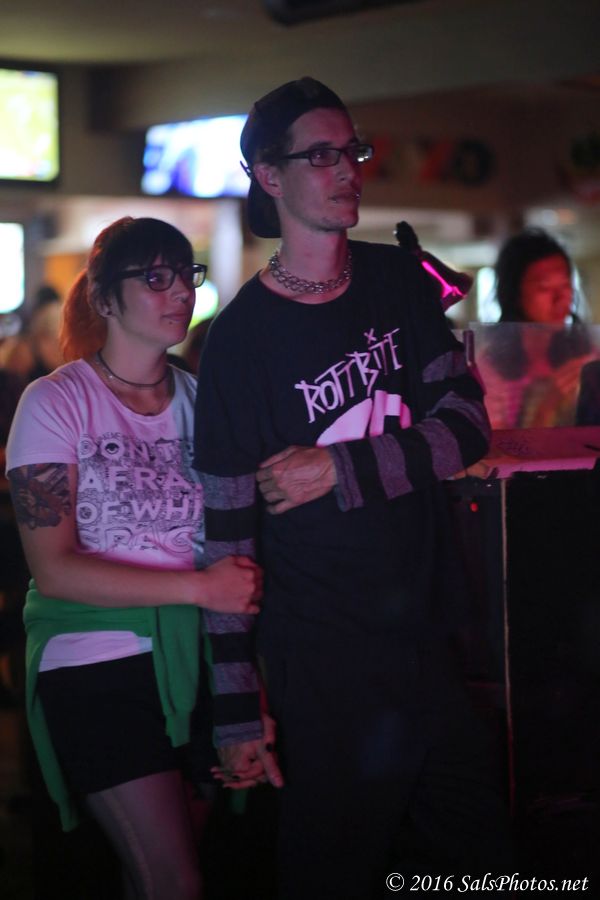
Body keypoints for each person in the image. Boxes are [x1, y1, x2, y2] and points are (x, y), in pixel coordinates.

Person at [193, 78, 512, 900]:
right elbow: (226, 540)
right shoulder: (238, 341)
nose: (348, 170)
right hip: (323, 654)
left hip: (428, 631)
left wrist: (339, 469)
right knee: (335, 871)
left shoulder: (396, 280)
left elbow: (467, 426)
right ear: (270, 175)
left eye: (353, 151)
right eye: (322, 155)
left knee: (483, 861)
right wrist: (237, 710)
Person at [5, 216, 264, 900]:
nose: (180, 291)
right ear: (104, 297)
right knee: (175, 879)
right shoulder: (55, 401)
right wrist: (199, 590)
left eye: (186, 275)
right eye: (155, 277)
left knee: (161, 874)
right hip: (93, 660)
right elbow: (54, 568)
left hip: (192, 658)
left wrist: (247, 696)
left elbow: (231, 552)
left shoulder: (202, 402)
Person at [476, 228, 597, 429]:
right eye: (544, 288)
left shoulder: (587, 354)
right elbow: (496, 445)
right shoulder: (490, 367)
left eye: (565, 285)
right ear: (514, 293)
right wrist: (546, 407)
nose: (560, 298)